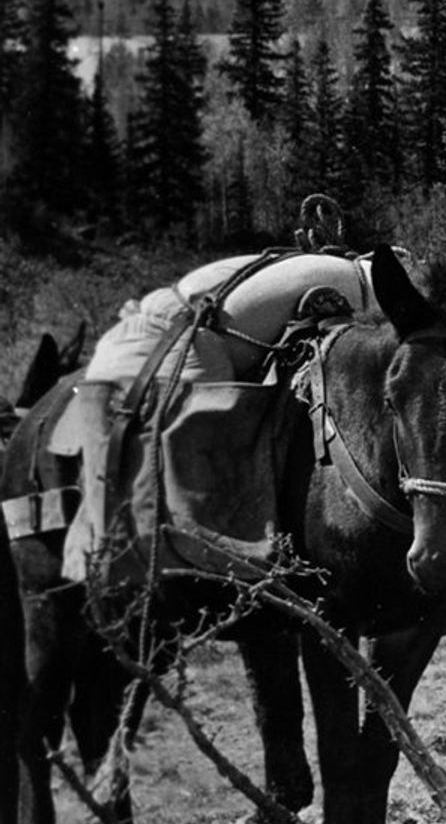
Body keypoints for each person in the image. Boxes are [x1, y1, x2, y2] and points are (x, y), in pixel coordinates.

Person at [53, 201, 374, 582]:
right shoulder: (364, 285)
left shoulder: (336, 273)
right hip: (173, 344)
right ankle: (216, 561)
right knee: (209, 447)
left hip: (155, 335)